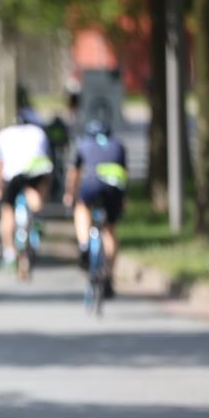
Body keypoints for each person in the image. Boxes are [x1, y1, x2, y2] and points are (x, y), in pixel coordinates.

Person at [63, 120, 128, 299]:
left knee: (82, 208)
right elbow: (124, 173)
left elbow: (74, 173)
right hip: (115, 184)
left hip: (92, 183)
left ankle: (84, 245)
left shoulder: (83, 143)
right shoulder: (119, 145)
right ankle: (109, 275)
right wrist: (124, 200)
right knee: (109, 230)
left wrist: (70, 194)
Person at [0, 116, 53, 269]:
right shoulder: (39, 132)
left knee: (7, 210)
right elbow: (48, 158)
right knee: (39, 185)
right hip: (37, 172)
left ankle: (9, 253)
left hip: (13, 174)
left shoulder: (4, 134)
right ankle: (38, 215)